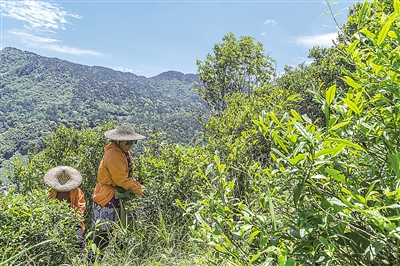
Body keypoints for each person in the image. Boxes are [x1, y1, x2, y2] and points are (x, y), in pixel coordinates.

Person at [92, 122, 146, 251]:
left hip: (113, 196)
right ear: (118, 141)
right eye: (128, 143)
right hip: (107, 197)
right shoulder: (114, 154)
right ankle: (91, 261)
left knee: (119, 233)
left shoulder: (121, 151)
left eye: (132, 142)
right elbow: (122, 180)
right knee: (103, 236)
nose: (130, 146)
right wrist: (142, 190)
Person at [43, 166, 86, 250]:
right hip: (55, 221)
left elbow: (81, 206)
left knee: (79, 242)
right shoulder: (51, 192)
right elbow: (46, 206)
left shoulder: (76, 192)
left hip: (74, 221)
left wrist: (73, 217)